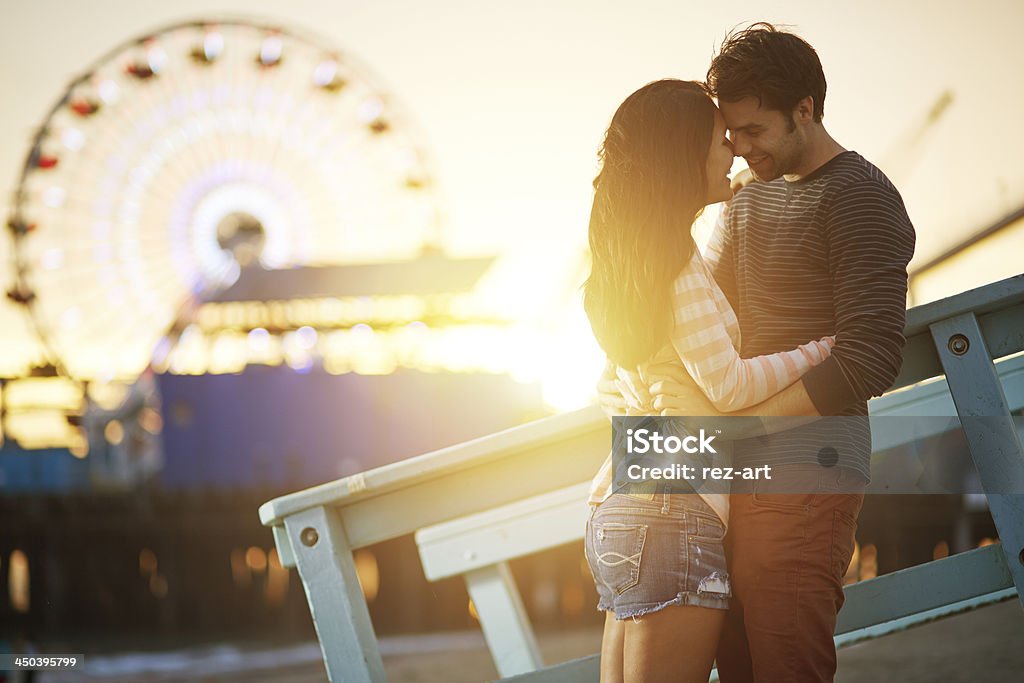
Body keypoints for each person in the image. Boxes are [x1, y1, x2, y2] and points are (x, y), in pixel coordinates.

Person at [607, 24, 917, 682]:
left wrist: (739, 436)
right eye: (731, 135)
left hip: (805, 469)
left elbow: (868, 357)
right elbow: (696, 322)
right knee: (739, 663)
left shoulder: (860, 196)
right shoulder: (748, 196)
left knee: (784, 660)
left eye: (753, 131)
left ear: (804, 108)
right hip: (730, 471)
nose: (741, 150)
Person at [583, 78, 839, 683]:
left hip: (618, 506)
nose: (733, 152)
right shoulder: (676, 262)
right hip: (673, 512)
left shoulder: (629, 264)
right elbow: (727, 386)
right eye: (719, 142)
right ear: (684, 158)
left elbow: (610, 386)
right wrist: (825, 349)